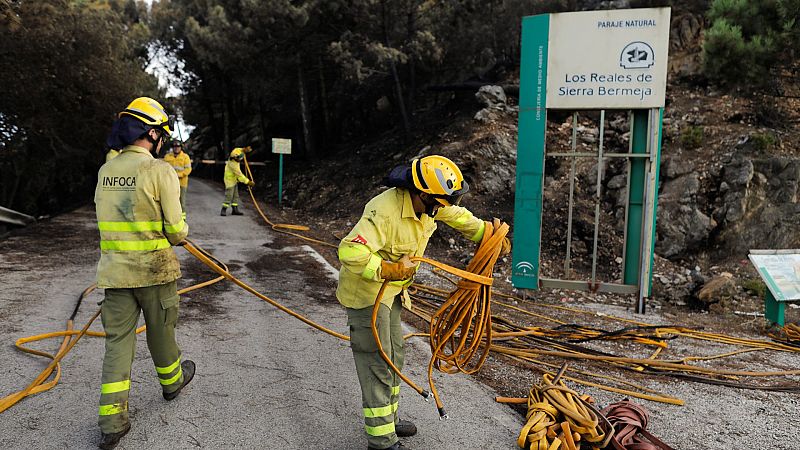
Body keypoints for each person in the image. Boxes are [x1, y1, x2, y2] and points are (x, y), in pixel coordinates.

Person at [336, 155, 510, 450]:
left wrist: (489, 236)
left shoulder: (428, 207)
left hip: (392, 295)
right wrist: (388, 268)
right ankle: (381, 440)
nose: (447, 206)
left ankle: (386, 422)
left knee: (395, 358)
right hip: (367, 295)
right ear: (425, 195)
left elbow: (459, 217)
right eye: (443, 201)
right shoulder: (384, 211)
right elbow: (350, 251)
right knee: (378, 362)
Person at [94, 97, 195, 449]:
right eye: (162, 135)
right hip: (155, 272)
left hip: (115, 276)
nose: (163, 141)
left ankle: (112, 421)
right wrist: (181, 230)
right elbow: (177, 231)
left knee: (118, 343)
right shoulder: (160, 170)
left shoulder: (106, 170)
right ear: (152, 133)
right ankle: (172, 383)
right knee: (161, 331)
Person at [221, 146, 254, 216]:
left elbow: (237, 149)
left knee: (235, 195)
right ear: (235, 158)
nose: (240, 160)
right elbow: (240, 175)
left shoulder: (235, 152)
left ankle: (235, 209)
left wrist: (243, 150)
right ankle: (223, 209)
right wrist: (248, 182)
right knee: (229, 195)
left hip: (234, 180)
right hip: (229, 180)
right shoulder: (233, 164)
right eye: (239, 159)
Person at [164, 141, 192, 219]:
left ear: (181, 148)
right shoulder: (167, 157)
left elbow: (188, 169)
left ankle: (182, 219)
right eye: (175, 147)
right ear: (173, 148)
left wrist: (178, 175)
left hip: (182, 183)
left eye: (178, 147)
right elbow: (164, 169)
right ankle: (171, 218)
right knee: (170, 201)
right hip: (170, 183)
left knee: (182, 202)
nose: (176, 148)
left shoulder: (185, 157)